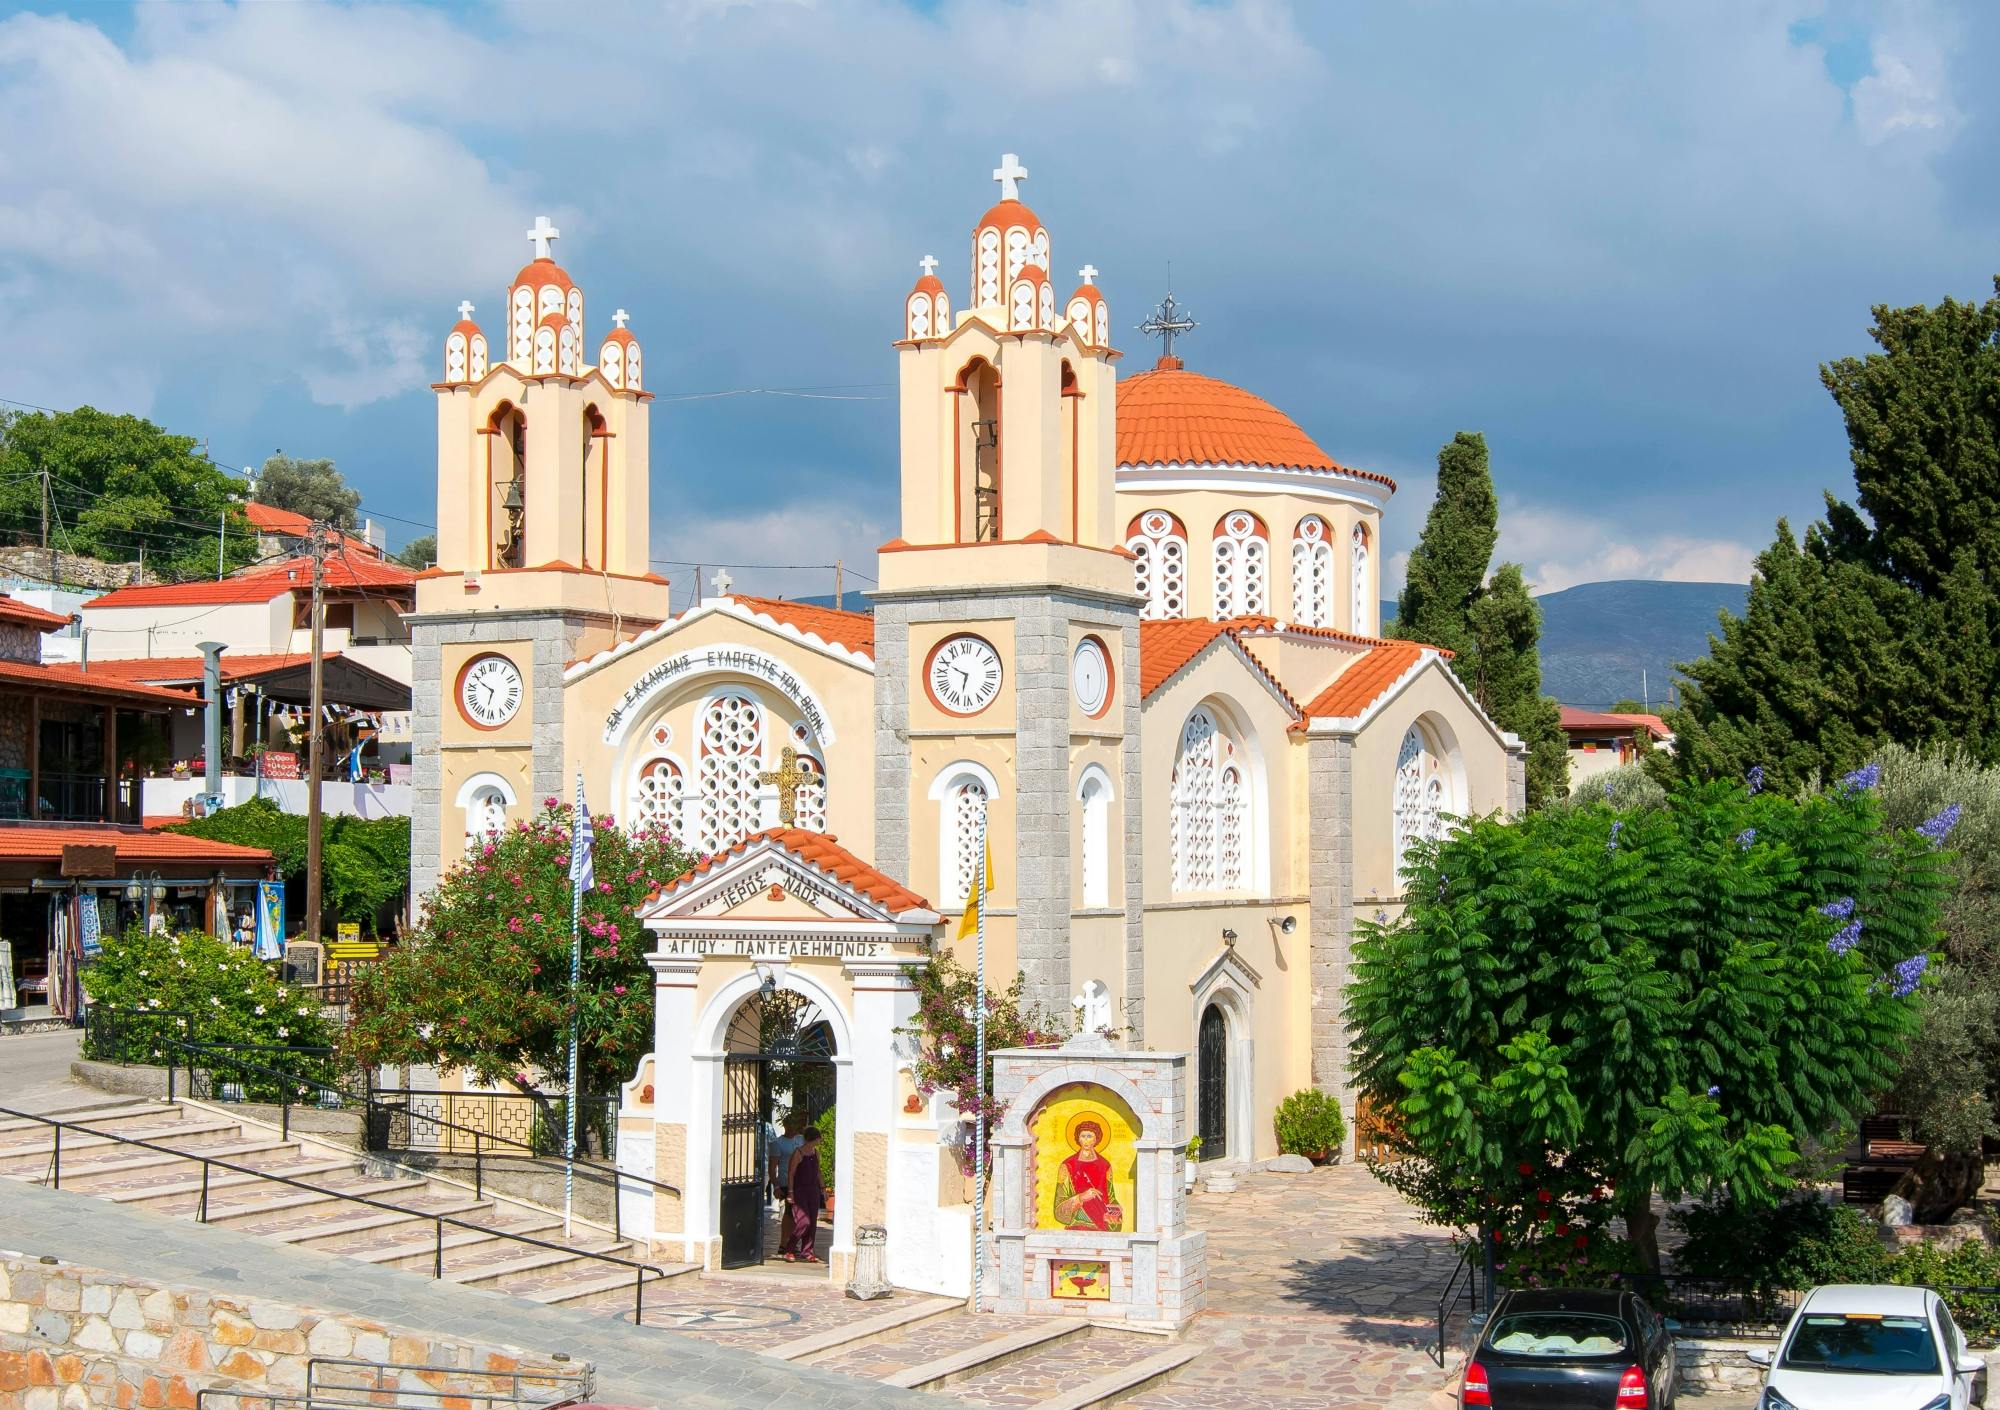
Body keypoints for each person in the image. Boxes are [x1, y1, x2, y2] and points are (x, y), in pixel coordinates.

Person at [1052, 1116, 1123, 1231]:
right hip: (1078, 1225)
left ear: (1096, 1139)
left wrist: (1116, 1213)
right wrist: (1081, 1197)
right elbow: (1059, 1210)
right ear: (1078, 1139)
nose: (1086, 1140)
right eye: (1083, 1136)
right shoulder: (1067, 1166)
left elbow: (1111, 1197)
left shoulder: (1105, 1165)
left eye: (1089, 1136)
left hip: (1102, 1224)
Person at [784, 1126, 825, 1263]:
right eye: (819, 1137)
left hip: (813, 1191)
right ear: (814, 1138)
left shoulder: (815, 1153)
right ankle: (789, 1248)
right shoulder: (798, 1153)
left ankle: (807, 1251)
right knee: (803, 1221)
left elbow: (818, 1172)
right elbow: (791, 1173)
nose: (820, 1140)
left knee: (812, 1222)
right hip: (800, 1191)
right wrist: (790, 1192)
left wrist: (823, 1188)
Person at [769, 1113, 804, 1257]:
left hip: (801, 1182)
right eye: (792, 1125)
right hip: (785, 1182)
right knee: (789, 1214)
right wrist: (776, 1186)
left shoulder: (801, 1140)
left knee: (797, 1215)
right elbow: (772, 1167)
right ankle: (784, 1244)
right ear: (786, 1126)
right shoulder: (777, 1143)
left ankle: (791, 1244)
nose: (795, 1128)